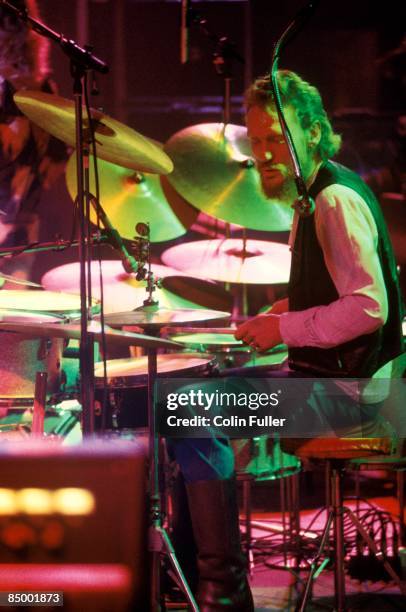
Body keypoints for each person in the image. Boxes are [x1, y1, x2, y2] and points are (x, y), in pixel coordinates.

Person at [235, 70, 404, 437]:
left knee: (187, 408)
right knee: (201, 395)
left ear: (313, 134)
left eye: (277, 140)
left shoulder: (333, 200)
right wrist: (282, 310)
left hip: (352, 393)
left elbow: (368, 308)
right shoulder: (314, 188)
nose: (262, 154)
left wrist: (282, 328)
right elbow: (332, 288)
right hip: (336, 378)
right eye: (256, 140)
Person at [0, 0, 67, 286]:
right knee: (14, 321)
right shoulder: (44, 89)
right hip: (23, 228)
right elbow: (57, 162)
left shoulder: (6, 92)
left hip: (12, 224)